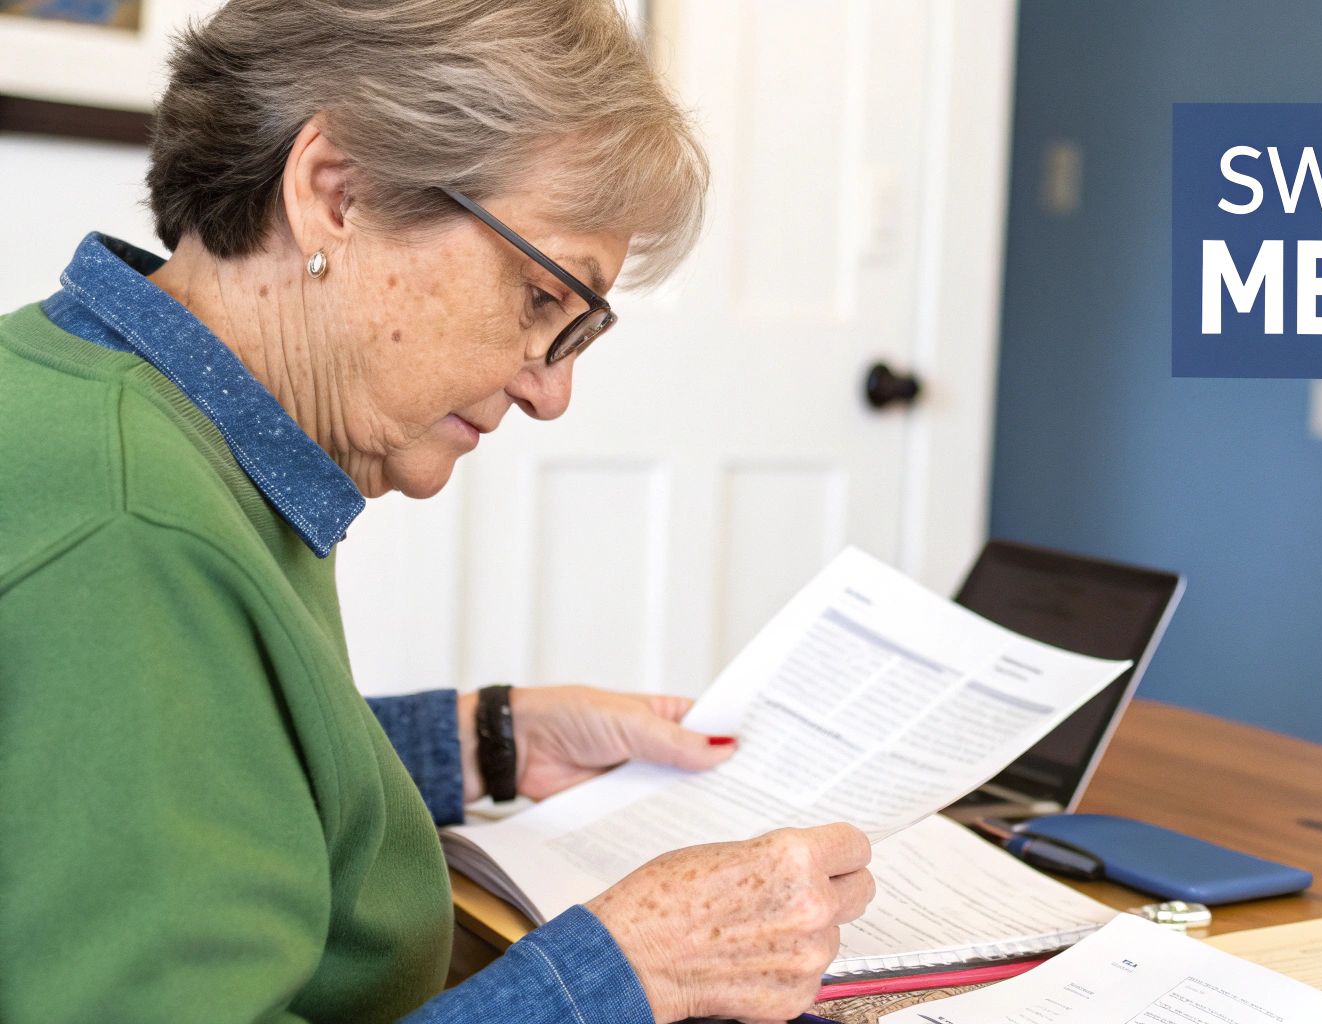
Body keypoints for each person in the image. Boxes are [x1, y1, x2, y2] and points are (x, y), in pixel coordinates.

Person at [0, 1, 875, 1021]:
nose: (552, 391)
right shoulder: (131, 530)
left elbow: (178, 779)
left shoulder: (99, 401)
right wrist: (629, 969)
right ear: (335, 192)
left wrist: (484, 740)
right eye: (544, 299)